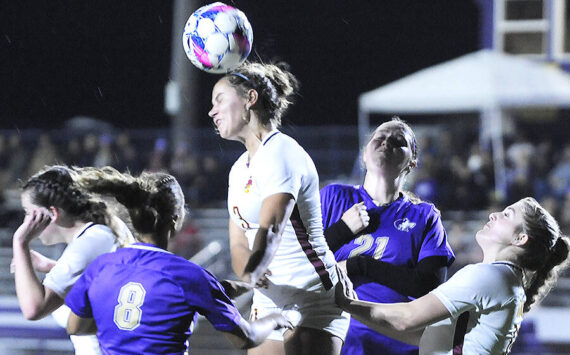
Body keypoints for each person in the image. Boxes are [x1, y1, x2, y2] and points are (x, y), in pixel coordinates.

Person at [64, 167, 293, 353]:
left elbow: (75, 326)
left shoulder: (102, 266)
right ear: (176, 219)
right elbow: (246, 338)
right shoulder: (190, 276)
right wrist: (275, 318)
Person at [207, 61, 349, 355]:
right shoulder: (237, 170)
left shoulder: (282, 152)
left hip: (310, 292)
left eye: (219, 100)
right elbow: (238, 241)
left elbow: (272, 227)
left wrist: (250, 273)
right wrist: (248, 274)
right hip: (269, 296)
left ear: (250, 98)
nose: (212, 111)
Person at [335, 197, 570, 355]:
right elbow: (423, 335)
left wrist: (343, 301)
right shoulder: (504, 280)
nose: (494, 215)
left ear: (520, 239)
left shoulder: (490, 277)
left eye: (507, 215)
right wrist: (351, 309)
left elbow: (406, 318)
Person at [320, 117, 455, 355]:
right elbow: (297, 261)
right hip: (336, 341)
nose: (386, 142)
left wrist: (359, 265)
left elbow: (429, 286)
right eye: (379, 137)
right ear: (364, 154)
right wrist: (341, 229)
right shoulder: (332, 197)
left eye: (398, 141)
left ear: (412, 162)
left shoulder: (424, 215)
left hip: (398, 344)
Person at [11, 165, 133, 355]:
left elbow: (33, 309)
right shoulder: (102, 232)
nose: (26, 222)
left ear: (53, 213)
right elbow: (95, 284)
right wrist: (52, 267)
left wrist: (20, 243)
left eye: (29, 212)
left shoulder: (89, 243)